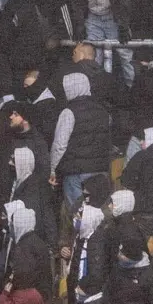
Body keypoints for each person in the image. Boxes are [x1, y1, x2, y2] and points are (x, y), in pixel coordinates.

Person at [50, 72, 112, 216]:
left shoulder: (68, 112)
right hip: (100, 169)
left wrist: (52, 168)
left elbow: (60, 145)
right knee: (99, 213)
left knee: (78, 215)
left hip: (75, 172)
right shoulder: (103, 111)